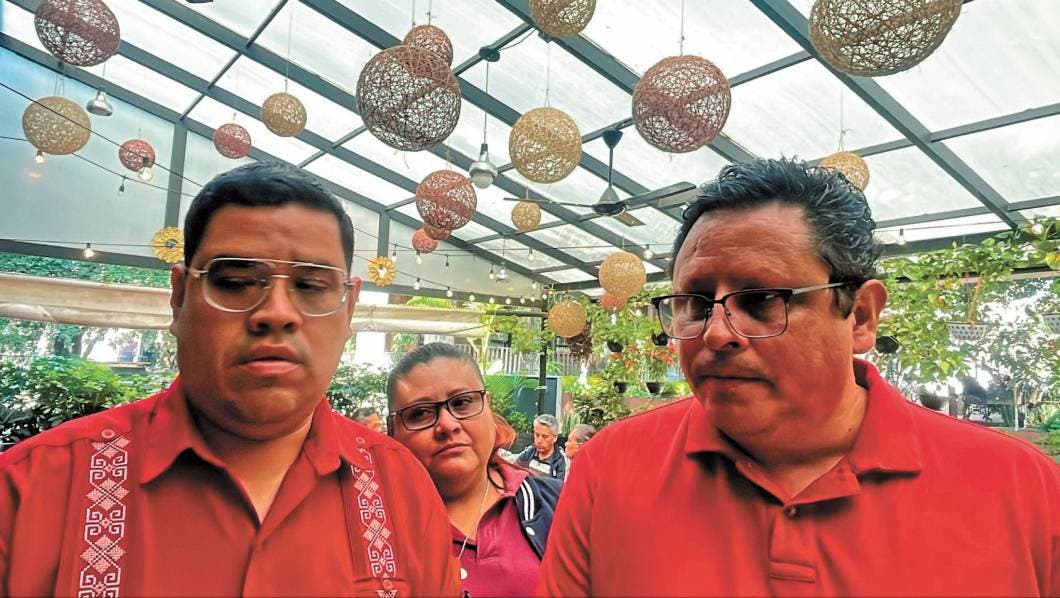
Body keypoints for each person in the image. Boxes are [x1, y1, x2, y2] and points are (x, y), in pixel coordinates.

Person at [538, 158, 1059, 596]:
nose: (716, 333)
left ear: (860, 317)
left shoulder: (1023, 492)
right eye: (694, 302)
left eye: (762, 299)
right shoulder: (610, 470)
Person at [0, 162, 459, 597]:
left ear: (348, 308)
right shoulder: (30, 494)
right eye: (236, 281)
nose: (275, 313)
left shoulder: (402, 491)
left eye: (310, 286)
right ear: (179, 297)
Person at [387, 343, 561, 598]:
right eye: (420, 413)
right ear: (392, 431)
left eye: (462, 402)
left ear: (488, 407)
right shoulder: (373, 526)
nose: (447, 424)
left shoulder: (555, 503)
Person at [515, 414, 568, 480]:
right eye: (537, 435)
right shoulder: (529, 452)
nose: (539, 441)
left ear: (555, 438)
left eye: (544, 437)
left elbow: (562, 485)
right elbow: (514, 469)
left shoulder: (561, 461)